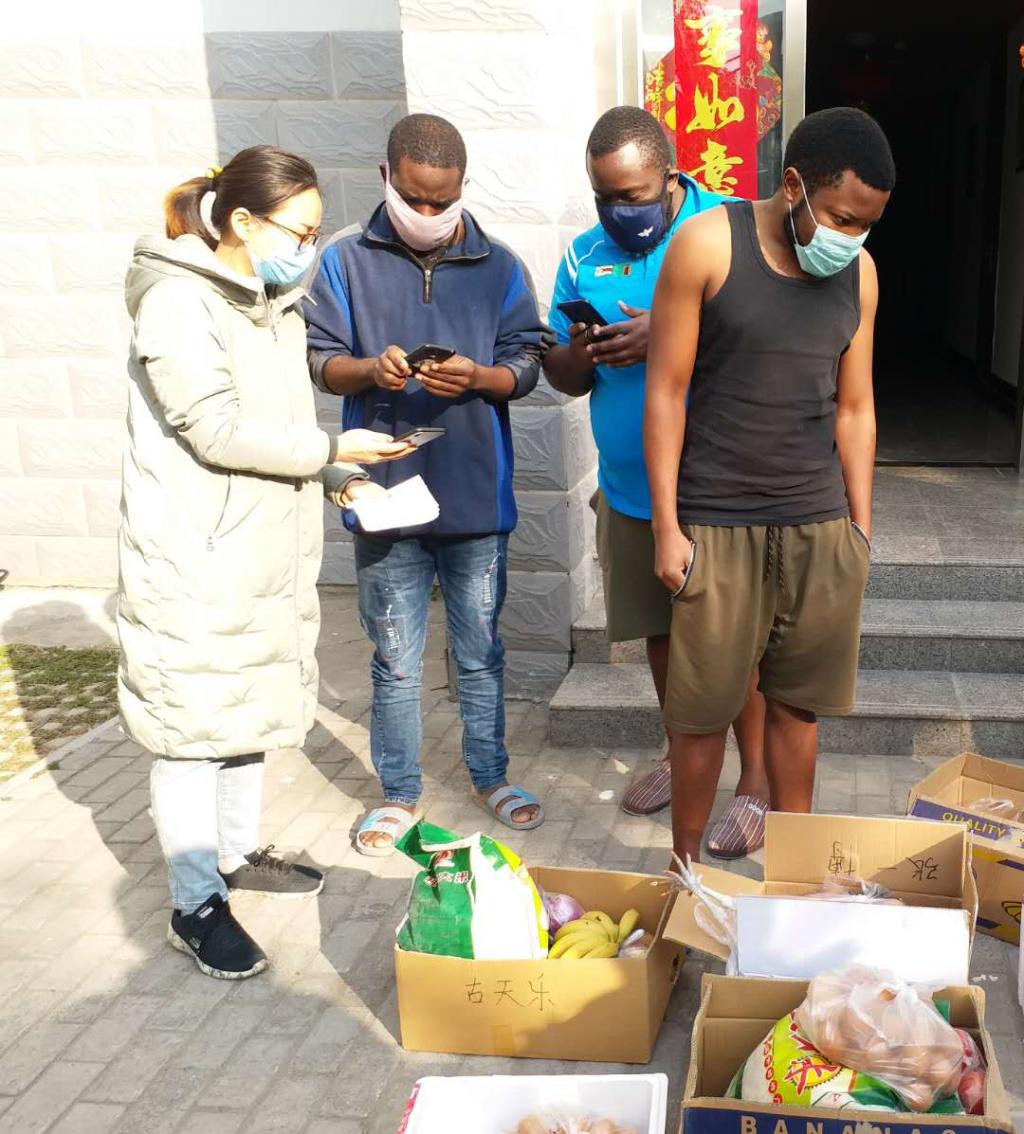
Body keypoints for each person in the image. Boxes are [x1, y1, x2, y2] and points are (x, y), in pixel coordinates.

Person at [121, 146, 414, 979]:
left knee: (244, 710)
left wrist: (336, 477)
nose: (309, 249)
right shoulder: (178, 300)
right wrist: (331, 447)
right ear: (244, 221)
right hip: (194, 556)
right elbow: (213, 429)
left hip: (258, 553)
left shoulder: (272, 305)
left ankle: (236, 853)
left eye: (317, 234)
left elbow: (277, 430)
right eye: (300, 232)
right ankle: (194, 905)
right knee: (191, 733)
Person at [644, 108, 895, 865]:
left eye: (868, 224)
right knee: (698, 719)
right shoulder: (707, 243)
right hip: (718, 525)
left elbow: (855, 408)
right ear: (793, 185)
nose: (852, 237)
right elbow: (666, 393)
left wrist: (859, 531)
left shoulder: (860, 273)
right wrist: (667, 528)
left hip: (819, 526)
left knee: (798, 709)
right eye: (842, 218)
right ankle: (685, 876)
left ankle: (795, 879)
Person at [306, 113, 549, 855]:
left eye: (443, 200)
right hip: (382, 497)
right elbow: (317, 360)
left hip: (475, 497)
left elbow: (528, 361)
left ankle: (490, 776)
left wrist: (482, 378)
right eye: (414, 197)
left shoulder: (500, 265)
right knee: (395, 657)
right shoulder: (344, 260)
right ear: (385, 178)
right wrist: (367, 369)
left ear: (463, 186)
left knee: (480, 651)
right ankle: (398, 793)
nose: (429, 211)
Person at [545, 106, 767, 856]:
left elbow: (765, 344)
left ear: (671, 177)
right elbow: (563, 375)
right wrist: (581, 351)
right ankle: (684, 757)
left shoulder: (732, 229)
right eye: (604, 195)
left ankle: (756, 781)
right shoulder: (583, 253)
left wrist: (668, 331)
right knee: (662, 637)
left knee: (738, 646)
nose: (619, 210)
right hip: (630, 488)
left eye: (633, 195)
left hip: (720, 488)